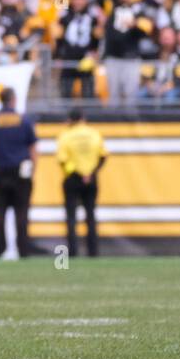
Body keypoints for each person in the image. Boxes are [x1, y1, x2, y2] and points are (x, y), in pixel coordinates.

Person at [0, 87, 37, 260]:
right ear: (13, 100)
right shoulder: (24, 120)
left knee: (0, 212)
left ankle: (0, 247)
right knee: (22, 212)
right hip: (21, 171)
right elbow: (33, 148)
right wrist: (33, 169)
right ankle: (23, 249)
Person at [57, 109, 106, 258]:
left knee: (71, 217)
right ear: (83, 118)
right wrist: (90, 174)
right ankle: (93, 252)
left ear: (70, 120)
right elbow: (103, 156)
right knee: (90, 216)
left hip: (72, 179)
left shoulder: (66, 135)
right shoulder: (94, 133)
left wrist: (77, 173)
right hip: (91, 179)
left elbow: (62, 160)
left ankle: (72, 252)